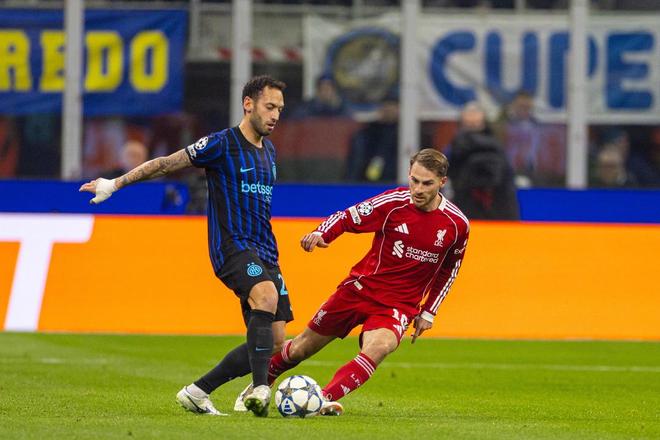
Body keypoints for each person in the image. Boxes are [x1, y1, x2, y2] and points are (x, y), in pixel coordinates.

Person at [79, 75, 292, 417]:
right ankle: (259, 389)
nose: (275, 115)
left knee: (277, 341)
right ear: (248, 104)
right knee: (265, 297)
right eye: (269, 106)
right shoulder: (221, 144)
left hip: (266, 250)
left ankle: (197, 391)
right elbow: (165, 164)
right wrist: (115, 183)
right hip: (232, 247)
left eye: (280, 108)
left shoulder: (269, 151)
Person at [235, 148, 469, 416]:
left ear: (442, 182)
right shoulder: (393, 203)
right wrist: (322, 233)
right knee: (300, 348)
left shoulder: (457, 224)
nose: (417, 189)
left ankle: (322, 399)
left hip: (398, 305)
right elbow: (348, 216)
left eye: (426, 183)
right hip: (359, 290)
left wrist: (429, 311)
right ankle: (259, 386)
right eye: (414, 180)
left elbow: (450, 269)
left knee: (379, 347)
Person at [448, 102, 519, 220]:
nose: (472, 128)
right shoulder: (454, 149)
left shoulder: (497, 147)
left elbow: (506, 179)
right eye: (468, 124)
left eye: (475, 123)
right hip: (465, 205)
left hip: (497, 206)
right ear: (462, 124)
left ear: (483, 123)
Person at [345, 98, 399, 182]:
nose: (388, 110)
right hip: (367, 181)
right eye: (385, 106)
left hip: (394, 179)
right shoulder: (368, 132)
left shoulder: (406, 133)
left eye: (392, 107)